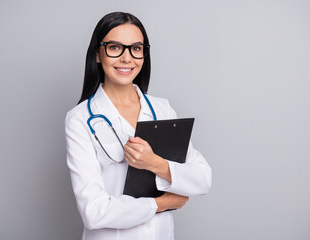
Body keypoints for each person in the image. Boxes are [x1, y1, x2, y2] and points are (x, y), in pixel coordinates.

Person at [65, 11, 212, 240]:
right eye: (115, 47)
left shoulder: (162, 110)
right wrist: (159, 204)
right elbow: (93, 213)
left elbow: (203, 178)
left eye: (136, 48)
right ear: (97, 54)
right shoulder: (80, 119)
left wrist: (155, 163)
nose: (127, 58)